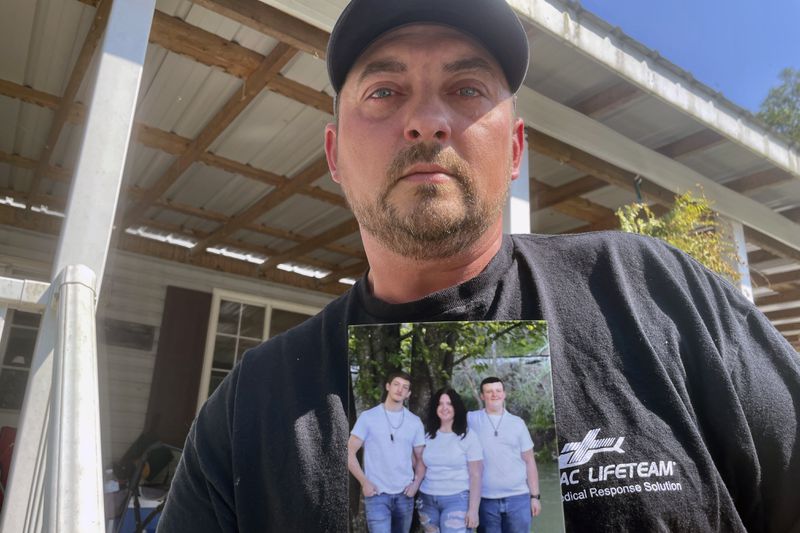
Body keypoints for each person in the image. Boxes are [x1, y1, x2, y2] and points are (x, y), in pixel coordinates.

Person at [157, 0, 800, 531]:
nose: (427, 121)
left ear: (516, 148)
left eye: (466, 89)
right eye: (385, 91)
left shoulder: (656, 295)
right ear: (334, 155)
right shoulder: (249, 408)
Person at [348, 371, 425, 533]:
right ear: (388, 386)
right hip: (377, 495)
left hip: (405, 495)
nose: (400, 389)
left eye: (405, 387)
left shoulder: (414, 422)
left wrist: (415, 485)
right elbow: (348, 452)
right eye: (396, 384)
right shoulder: (368, 417)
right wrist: (364, 482)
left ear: (409, 394)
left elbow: (421, 460)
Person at [467, 377, 540, 533]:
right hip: (485, 500)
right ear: (482, 396)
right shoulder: (471, 419)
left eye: (498, 391)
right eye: (489, 391)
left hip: (518, 499)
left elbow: (529, 461)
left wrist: (535, 497)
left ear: (504, 394)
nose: (494, 395)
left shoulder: (517, 423)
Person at [417, 388, 483, 532]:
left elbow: (476, 475)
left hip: (457, 499)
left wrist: (473, 510)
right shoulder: (427, 434)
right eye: (440, 404)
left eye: (449, 404)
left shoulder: (468, 436)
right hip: (427, 500)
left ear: (456, 407)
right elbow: (421, 464)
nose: (444, 408)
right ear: (435, 407)